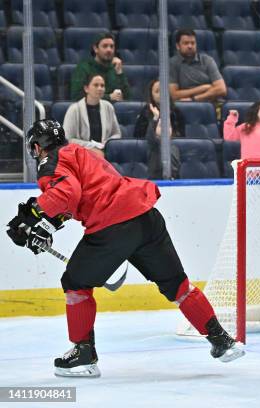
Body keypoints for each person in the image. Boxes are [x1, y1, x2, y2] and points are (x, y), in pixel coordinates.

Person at [6, 120, 244, 378]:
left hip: (113, 226)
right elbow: (83, 195)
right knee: (177, 285)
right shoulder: (81, 153)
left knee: (74, 282)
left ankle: (83, 355)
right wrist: (45, 224)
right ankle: (222, 341)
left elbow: (66, 194)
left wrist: (34, 215)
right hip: (145, 216)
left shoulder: (49, 160)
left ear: (37, 146)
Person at [133, 80, 185, 179]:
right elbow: (139, 135)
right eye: (157, 91)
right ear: (151, 95)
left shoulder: (176, 112)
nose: (161, 94)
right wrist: (155, 119)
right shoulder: (145, 112)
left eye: (163, 91)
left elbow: (181, 135)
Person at [63, 74, 121, 158]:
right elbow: (67, 139)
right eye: (96, 85)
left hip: (105, 152)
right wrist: (91, 147)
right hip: (81, 154)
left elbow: (117, 133)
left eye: (102, 85)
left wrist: (107, 143)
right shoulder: (74, 109)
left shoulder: (108, 107)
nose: (100, 88)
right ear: (86, 88)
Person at [169, 29, 227, 103]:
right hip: (185, 106)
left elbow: (221, 89)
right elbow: (173, 95)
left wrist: (194, 99)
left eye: (193, 43)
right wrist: (202, 88)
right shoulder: (172, 63)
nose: (190, 46)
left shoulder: (207, 60)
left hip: (209, 104)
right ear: (178, 46)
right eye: (186, 43)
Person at [70, 32, 130, 102]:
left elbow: (127, 97)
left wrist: (120, 73)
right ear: (96, 49)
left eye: (112, 46)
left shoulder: (115, 68)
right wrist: (109, 97)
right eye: (105, 46)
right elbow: (77, 96)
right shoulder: (84, 67)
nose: (109, 50)